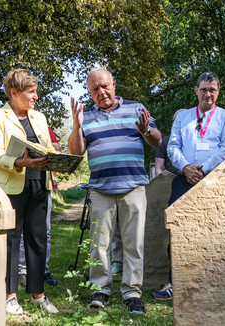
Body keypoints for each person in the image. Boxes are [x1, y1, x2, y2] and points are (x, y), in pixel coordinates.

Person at [68, 67, 161, 315]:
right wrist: (77, 127)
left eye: (105, 86)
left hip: (133, 187)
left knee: (133, 243)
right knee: (99, 244)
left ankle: (132, 293)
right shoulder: (85, 116)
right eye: (95, 89)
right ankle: (100, 289)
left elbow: (156, 140)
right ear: (90, 92)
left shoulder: (135, 108)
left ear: (114, 84)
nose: (101, 92)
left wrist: (145, 130)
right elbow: (76, 152)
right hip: (100, 189)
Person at [153, 72, 225, 300]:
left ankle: (212, 283)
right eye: (203, 89)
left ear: (218, 92)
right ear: (196, 91)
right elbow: (173, 147)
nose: (207, 94)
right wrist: (186, 168)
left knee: (215, 231)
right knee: (177, 230)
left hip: (214, 180)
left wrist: (203, 170)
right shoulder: (183, 117)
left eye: (212, 90)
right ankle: (174, 282)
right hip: (183, 178)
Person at [0, 68, 59, 315]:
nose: (36, 96)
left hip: (39, 183)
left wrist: (60, 161)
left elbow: (48, 148)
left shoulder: (39, 117)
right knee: (11, 240)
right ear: (14, 93)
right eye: (31, 92)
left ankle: (38, 295)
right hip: (11, 186)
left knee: (38, 239)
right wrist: (17, 163)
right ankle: (9, 296)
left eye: (36, 91)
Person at [18, 128, 60, 287]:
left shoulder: (45, 128)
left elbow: (56, 149)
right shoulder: (14, 125)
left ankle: (43, 270)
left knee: (45, 231)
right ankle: (22, 271)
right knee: (22, 232)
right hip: (20, 183)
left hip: (43, 184)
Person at [154, 109, 186, 176]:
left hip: (190, 178)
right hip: (169, 180)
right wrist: (161, 182)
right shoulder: (164, 141)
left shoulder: (195, 141)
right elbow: (158, 169)